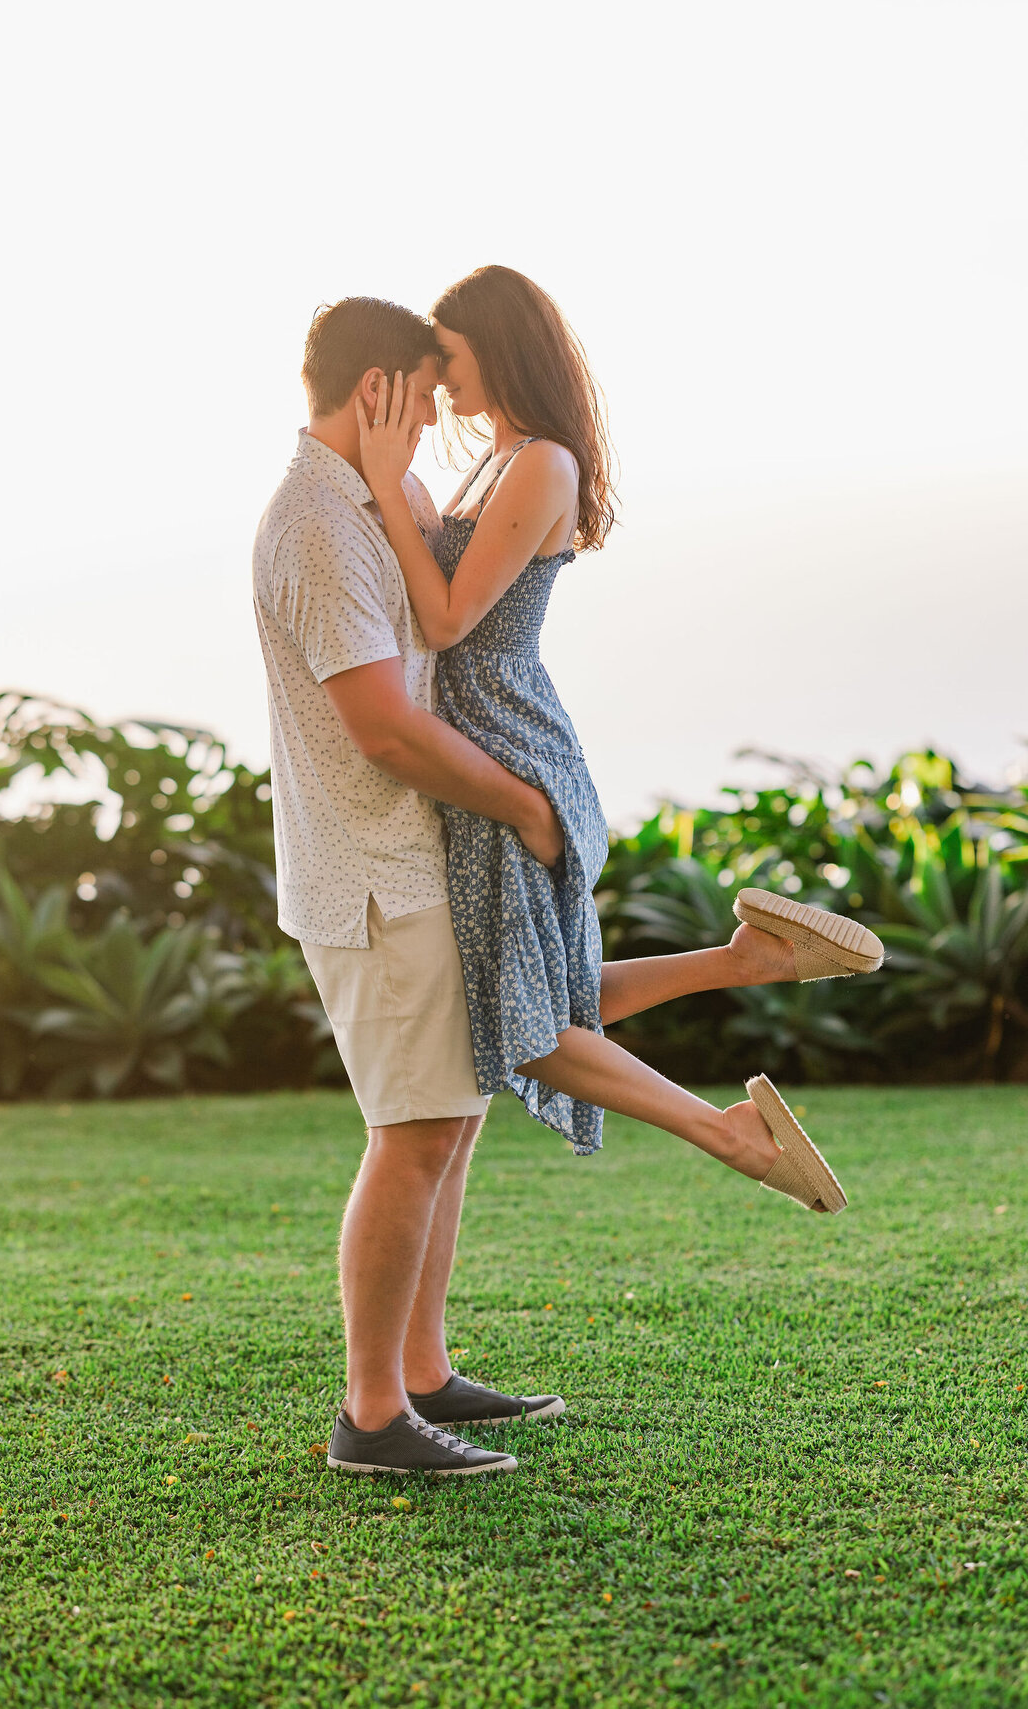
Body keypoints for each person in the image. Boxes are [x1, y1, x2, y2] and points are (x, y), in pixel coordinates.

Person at [252, 290, 880, 1479]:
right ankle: (375, 1413)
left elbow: (435, 628)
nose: (438, 400)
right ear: (379, 388)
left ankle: (419, 1376)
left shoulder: (407, 490)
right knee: (431, 1117)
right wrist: (522, 805)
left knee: (487, 1064)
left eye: (452, 370)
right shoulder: (325, 521)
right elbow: (384, 726)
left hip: (457, 807)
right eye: (421, 380)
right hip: (392, 860)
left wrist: (399, 489)